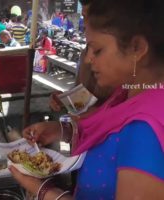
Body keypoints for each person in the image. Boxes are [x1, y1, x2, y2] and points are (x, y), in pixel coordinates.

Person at [10, 0, 164, 199]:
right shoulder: (126, 94)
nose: (89, 59)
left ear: (137, 48)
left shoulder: (145, 128)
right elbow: (108, 136)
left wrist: (44, 191)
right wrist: (61, 130)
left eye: (97, 50)